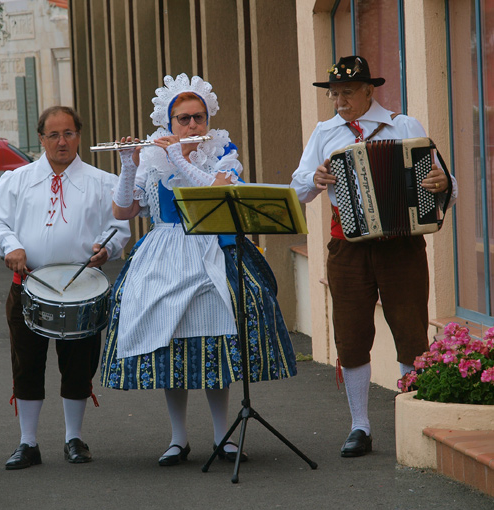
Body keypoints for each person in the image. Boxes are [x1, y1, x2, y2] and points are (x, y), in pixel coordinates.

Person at [101, 73, 297, 466]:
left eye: (198, 117)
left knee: (214, 341)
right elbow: (123, 210)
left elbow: (218, 192)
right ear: (168, 123)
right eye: (183, 119)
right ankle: (178, 438)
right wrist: (128, 164)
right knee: (171, 341)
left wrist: (178, 158)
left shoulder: (223, 150)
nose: (192, 126)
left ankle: (223, 435)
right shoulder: (151, 159)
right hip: (164, 248)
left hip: (211, 246)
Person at [290, 55, 457, 458]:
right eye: (333, 94)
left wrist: (440, 182)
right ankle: (360, 426)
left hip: (401, 246)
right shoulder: (325, 132)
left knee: (411, 332)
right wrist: (314, 179)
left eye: (347, 92)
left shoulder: (404, 126)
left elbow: (446, 183)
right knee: (350, 335)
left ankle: (409, 420)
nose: (339, 101)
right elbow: (297, 190)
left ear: (369, 90)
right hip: (348, 247)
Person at [0, 106, 131, 470]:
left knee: (79, 366)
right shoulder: (16, 180)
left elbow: (118, 228)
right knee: (27, 364)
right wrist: (11, 247)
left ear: (78, 135)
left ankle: (73, 438)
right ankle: (27, 442)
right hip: (29, 285)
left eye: (68, 133)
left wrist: (106, 248)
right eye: (53, 135)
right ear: (41, 139)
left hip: (82, 288)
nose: (61, 142)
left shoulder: (103, 182)